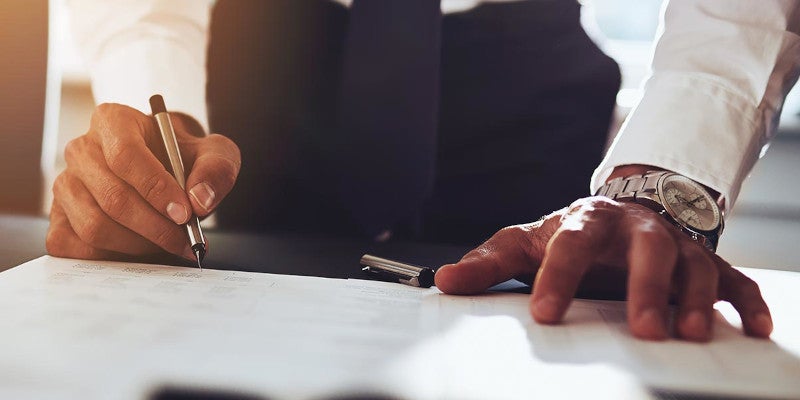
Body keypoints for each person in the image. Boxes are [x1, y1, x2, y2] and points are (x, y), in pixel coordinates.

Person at [47, 0, 797, 342]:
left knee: (549, 336)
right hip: (263, 65)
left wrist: (661, 180)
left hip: (521, 77)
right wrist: (160, 115)